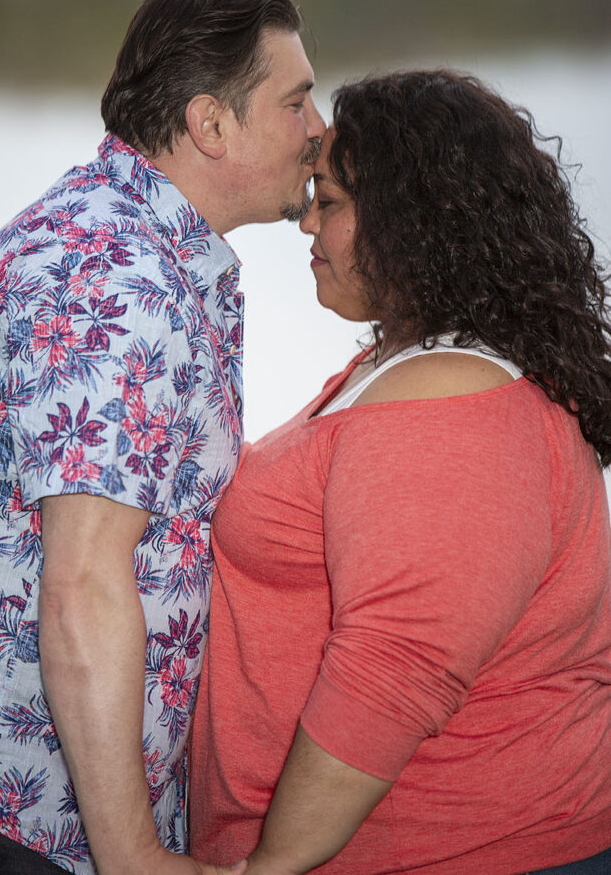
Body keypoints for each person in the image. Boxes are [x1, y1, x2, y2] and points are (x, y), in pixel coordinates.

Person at [0, 0, 325, 875]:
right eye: (297, 100)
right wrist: (135, 857)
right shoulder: (109, 275)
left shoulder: (134, 248)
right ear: (210, 124)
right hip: (13, 827)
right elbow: (83, 586)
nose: (319, 129)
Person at [189, 70, 611, 874]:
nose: (304, 220)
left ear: (416, 222)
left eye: (331, 201)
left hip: (460, 852)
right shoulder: (416, 365)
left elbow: (393, 673)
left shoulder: (451, 406)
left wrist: (274, 864)